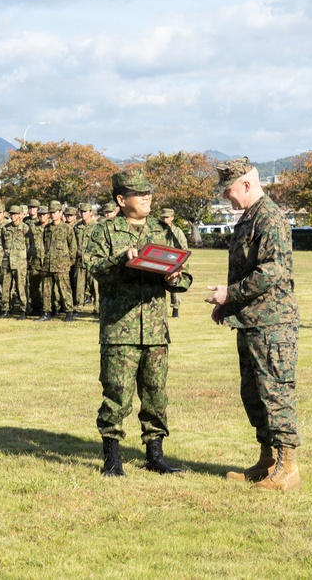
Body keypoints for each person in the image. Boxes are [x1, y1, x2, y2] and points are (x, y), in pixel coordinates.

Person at [86, 170, 192, 477]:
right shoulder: (105, 230)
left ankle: (155, 455)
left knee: (155, 394)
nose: (147, 198)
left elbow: (184, 276)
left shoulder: (164, 230)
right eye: (139, 193)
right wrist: (121, 258)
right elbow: (93, 266)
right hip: (121, 328)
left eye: (148, 193)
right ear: (121, 200)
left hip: (156, 330)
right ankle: (112, 458)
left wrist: (175, 278)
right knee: (116, 394)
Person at [205, 157, 301, 492]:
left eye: (228, 190)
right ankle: (267, 461)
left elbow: (271, 271)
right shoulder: (249, 217)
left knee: (275, 392)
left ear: (246, 184)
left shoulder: (269, 217)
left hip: (272, 324)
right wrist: (229, 304)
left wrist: (229, 293)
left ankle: (287, 468)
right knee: (254, 394)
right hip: (251, 322)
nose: (225, 197)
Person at [161, 208, 188, 318]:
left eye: (166, 217)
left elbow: (184, 247)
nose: (164, 219)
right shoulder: (156, 230)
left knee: (173, 285)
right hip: (160, 260)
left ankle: (175, 310)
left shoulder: (177, 232)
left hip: (173, 260)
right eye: (162, 217)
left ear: (172, 218)